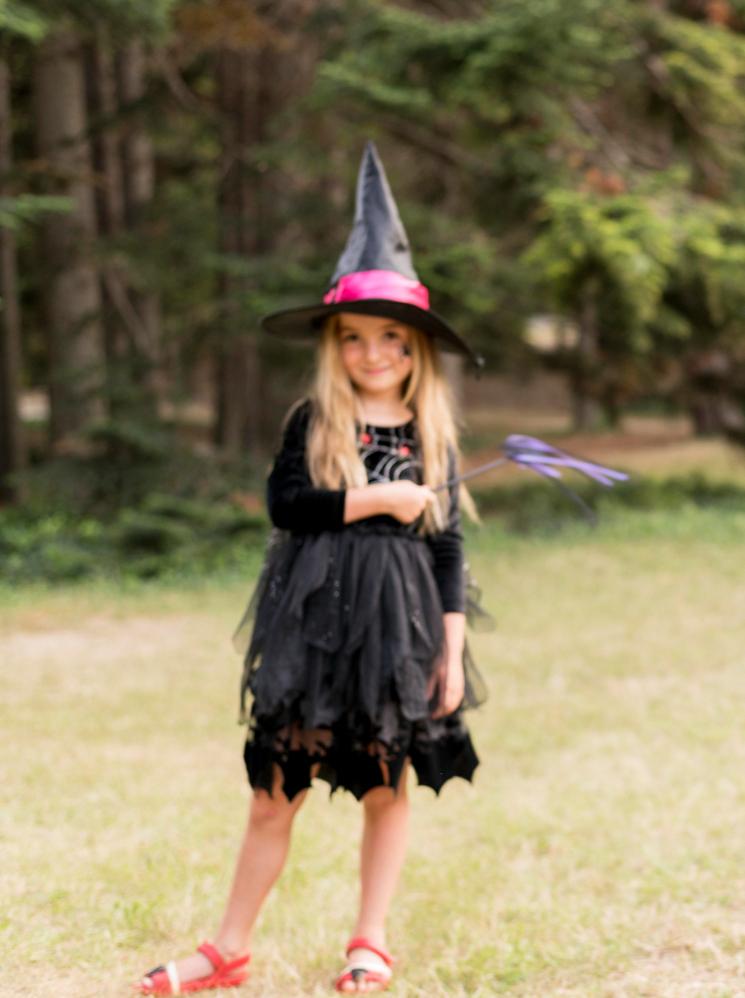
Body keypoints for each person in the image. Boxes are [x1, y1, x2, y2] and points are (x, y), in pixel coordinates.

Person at [136, 143, 486, 995]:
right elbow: (286, 505)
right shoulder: (314, 420)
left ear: (415, 350)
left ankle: (370, 940)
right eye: (357, 338)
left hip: (398, 629)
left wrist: (452, 637)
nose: (375, 354)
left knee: (385, 786)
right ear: (335, 344)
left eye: (393, 340)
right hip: (313, 621)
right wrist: (374, 501)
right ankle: (228, 946)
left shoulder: (427, 432)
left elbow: (445, 543)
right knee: (273, 790)